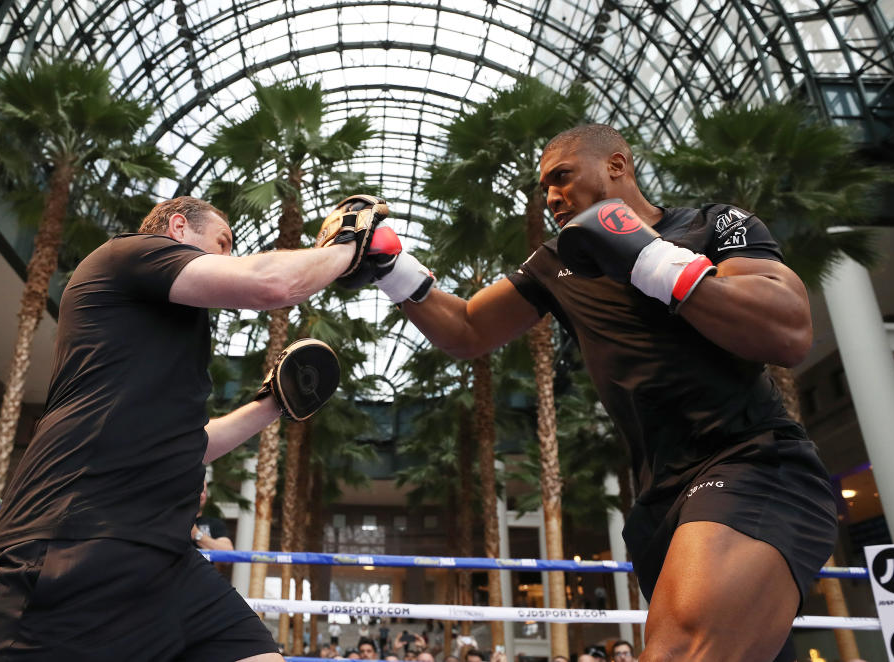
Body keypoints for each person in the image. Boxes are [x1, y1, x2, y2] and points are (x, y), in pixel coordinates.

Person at [359, 124, 838, 662]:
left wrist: (648, 257)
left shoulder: (713, 224)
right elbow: (468, 330)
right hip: (659, 498)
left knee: (678, 651)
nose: (553, 197)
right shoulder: (557, 262)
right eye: (544, 189)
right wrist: (389, 266)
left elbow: (789, 331)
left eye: (562, 177)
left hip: (753, 461)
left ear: (617, 165)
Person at [0, 194, 381, 661]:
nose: (229, 257)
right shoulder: (128, 254)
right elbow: (272, 283)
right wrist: (348, 243)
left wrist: (273, 405)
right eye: (222, 243)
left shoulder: (167, 337)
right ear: (178, 228)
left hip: (168, 561)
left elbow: (188, 445)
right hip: (76, 540)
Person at [192, 481, 234, 552]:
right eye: (198, 490)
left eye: (204, 492)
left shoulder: (215, 523)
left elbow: (228, 554)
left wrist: (196, 534)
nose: (201, 494)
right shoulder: (172, 521)